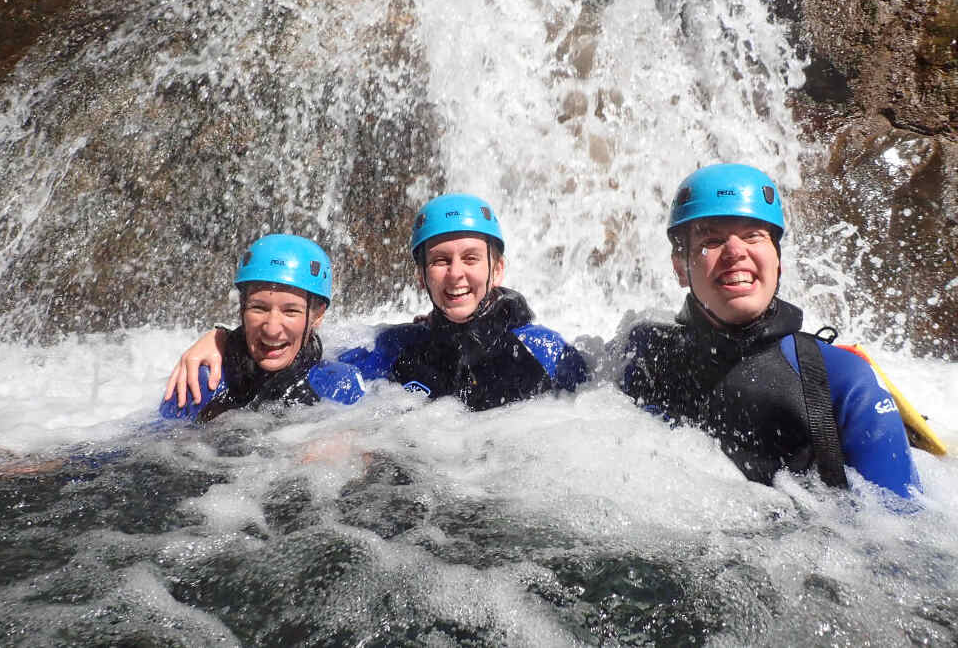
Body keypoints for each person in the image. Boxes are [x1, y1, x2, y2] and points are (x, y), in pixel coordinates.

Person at [612, 163, 920, 498]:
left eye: (752, 236)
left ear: (778, 261)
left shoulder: (843, 380)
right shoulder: (643, 354)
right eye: (712, 240)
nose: (734, 252)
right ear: (680, 267)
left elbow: (901, 532)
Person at [167, 194, 587, 412]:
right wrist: (225, 341)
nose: (456, 274)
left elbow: (605, 399)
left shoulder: (543, 350)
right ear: (421, 275)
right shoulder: (392, 349)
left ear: (497, 270)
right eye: (441, 261)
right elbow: (305, 359)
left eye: (470, 259)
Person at [160, 234, 364, 423]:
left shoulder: (339, 385)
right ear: (242, 306)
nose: (272, 329)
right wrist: (220, 338)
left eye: (291, 311)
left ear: (318, 315)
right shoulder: (202, 383)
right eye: (259, 308)